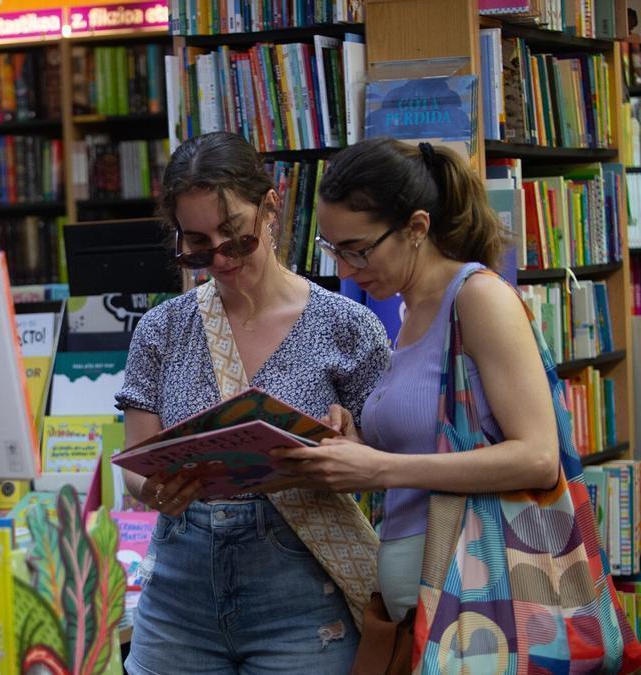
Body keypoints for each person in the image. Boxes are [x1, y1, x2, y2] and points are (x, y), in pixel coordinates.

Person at [115, 131, 389, 675]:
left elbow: (389, 469)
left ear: (270, 207)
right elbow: (135, 467)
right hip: (177, 596)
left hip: (303, 599)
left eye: (235, 238)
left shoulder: (347, 328)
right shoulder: (161, 330)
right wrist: (160, 488)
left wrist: (349, 452)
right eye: (196, 245)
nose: (218, 258)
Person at [273, 137, 559, 625]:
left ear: (416, 228)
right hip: (433, 615)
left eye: (357, 250)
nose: (343, 269)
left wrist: (378, 468)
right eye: (332, 250)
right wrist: (356, 444)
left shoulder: (477, 299)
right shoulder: (409, 314)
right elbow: (426, 454)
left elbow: (537, 457)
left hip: (485, 609)